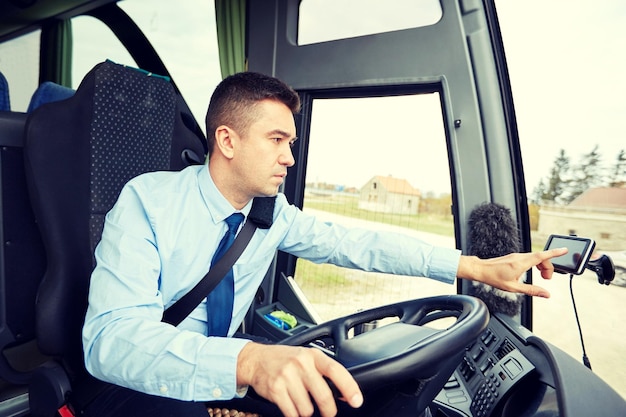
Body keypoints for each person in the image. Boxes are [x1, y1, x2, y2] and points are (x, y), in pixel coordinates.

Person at [82, 71, 567, 417]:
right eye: (276, 140)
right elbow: (110, 341)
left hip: (222, 364)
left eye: (290, 143)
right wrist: (246, 362)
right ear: (226, 141)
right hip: (134, 379)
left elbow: (357, 243)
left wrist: (471, 266)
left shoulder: (270, 216)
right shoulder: (146, 202)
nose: (289, 158)